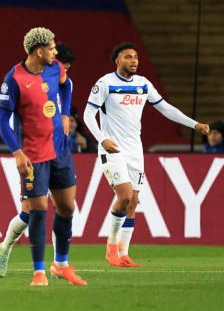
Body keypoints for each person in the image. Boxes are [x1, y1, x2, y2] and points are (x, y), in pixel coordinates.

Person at [83, 42, 210, 267]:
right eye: (128, 57)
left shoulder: (143, 84)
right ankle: (111, 247)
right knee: (123, 197)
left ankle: (123, 254)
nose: (134, 61)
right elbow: (88, 115)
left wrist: (194, 124)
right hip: (112, 149)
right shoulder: (105, 83)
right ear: (117, 61)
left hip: (135, 151)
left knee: (132, 202)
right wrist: (102, 139)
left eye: (136, 57)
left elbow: (166, 108)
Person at [0, 27, 86, 286]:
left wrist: (66, 114)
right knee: (37, 210)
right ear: (39, 51)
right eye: (52, 47)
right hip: (34, 154)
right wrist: (17, 151)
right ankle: (38, 272)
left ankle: (61, 265)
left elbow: (66, 85)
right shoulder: (14, 78)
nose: (56, 52)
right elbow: (2, 119)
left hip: (60, 149)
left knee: (67, 207)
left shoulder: (56, 67)